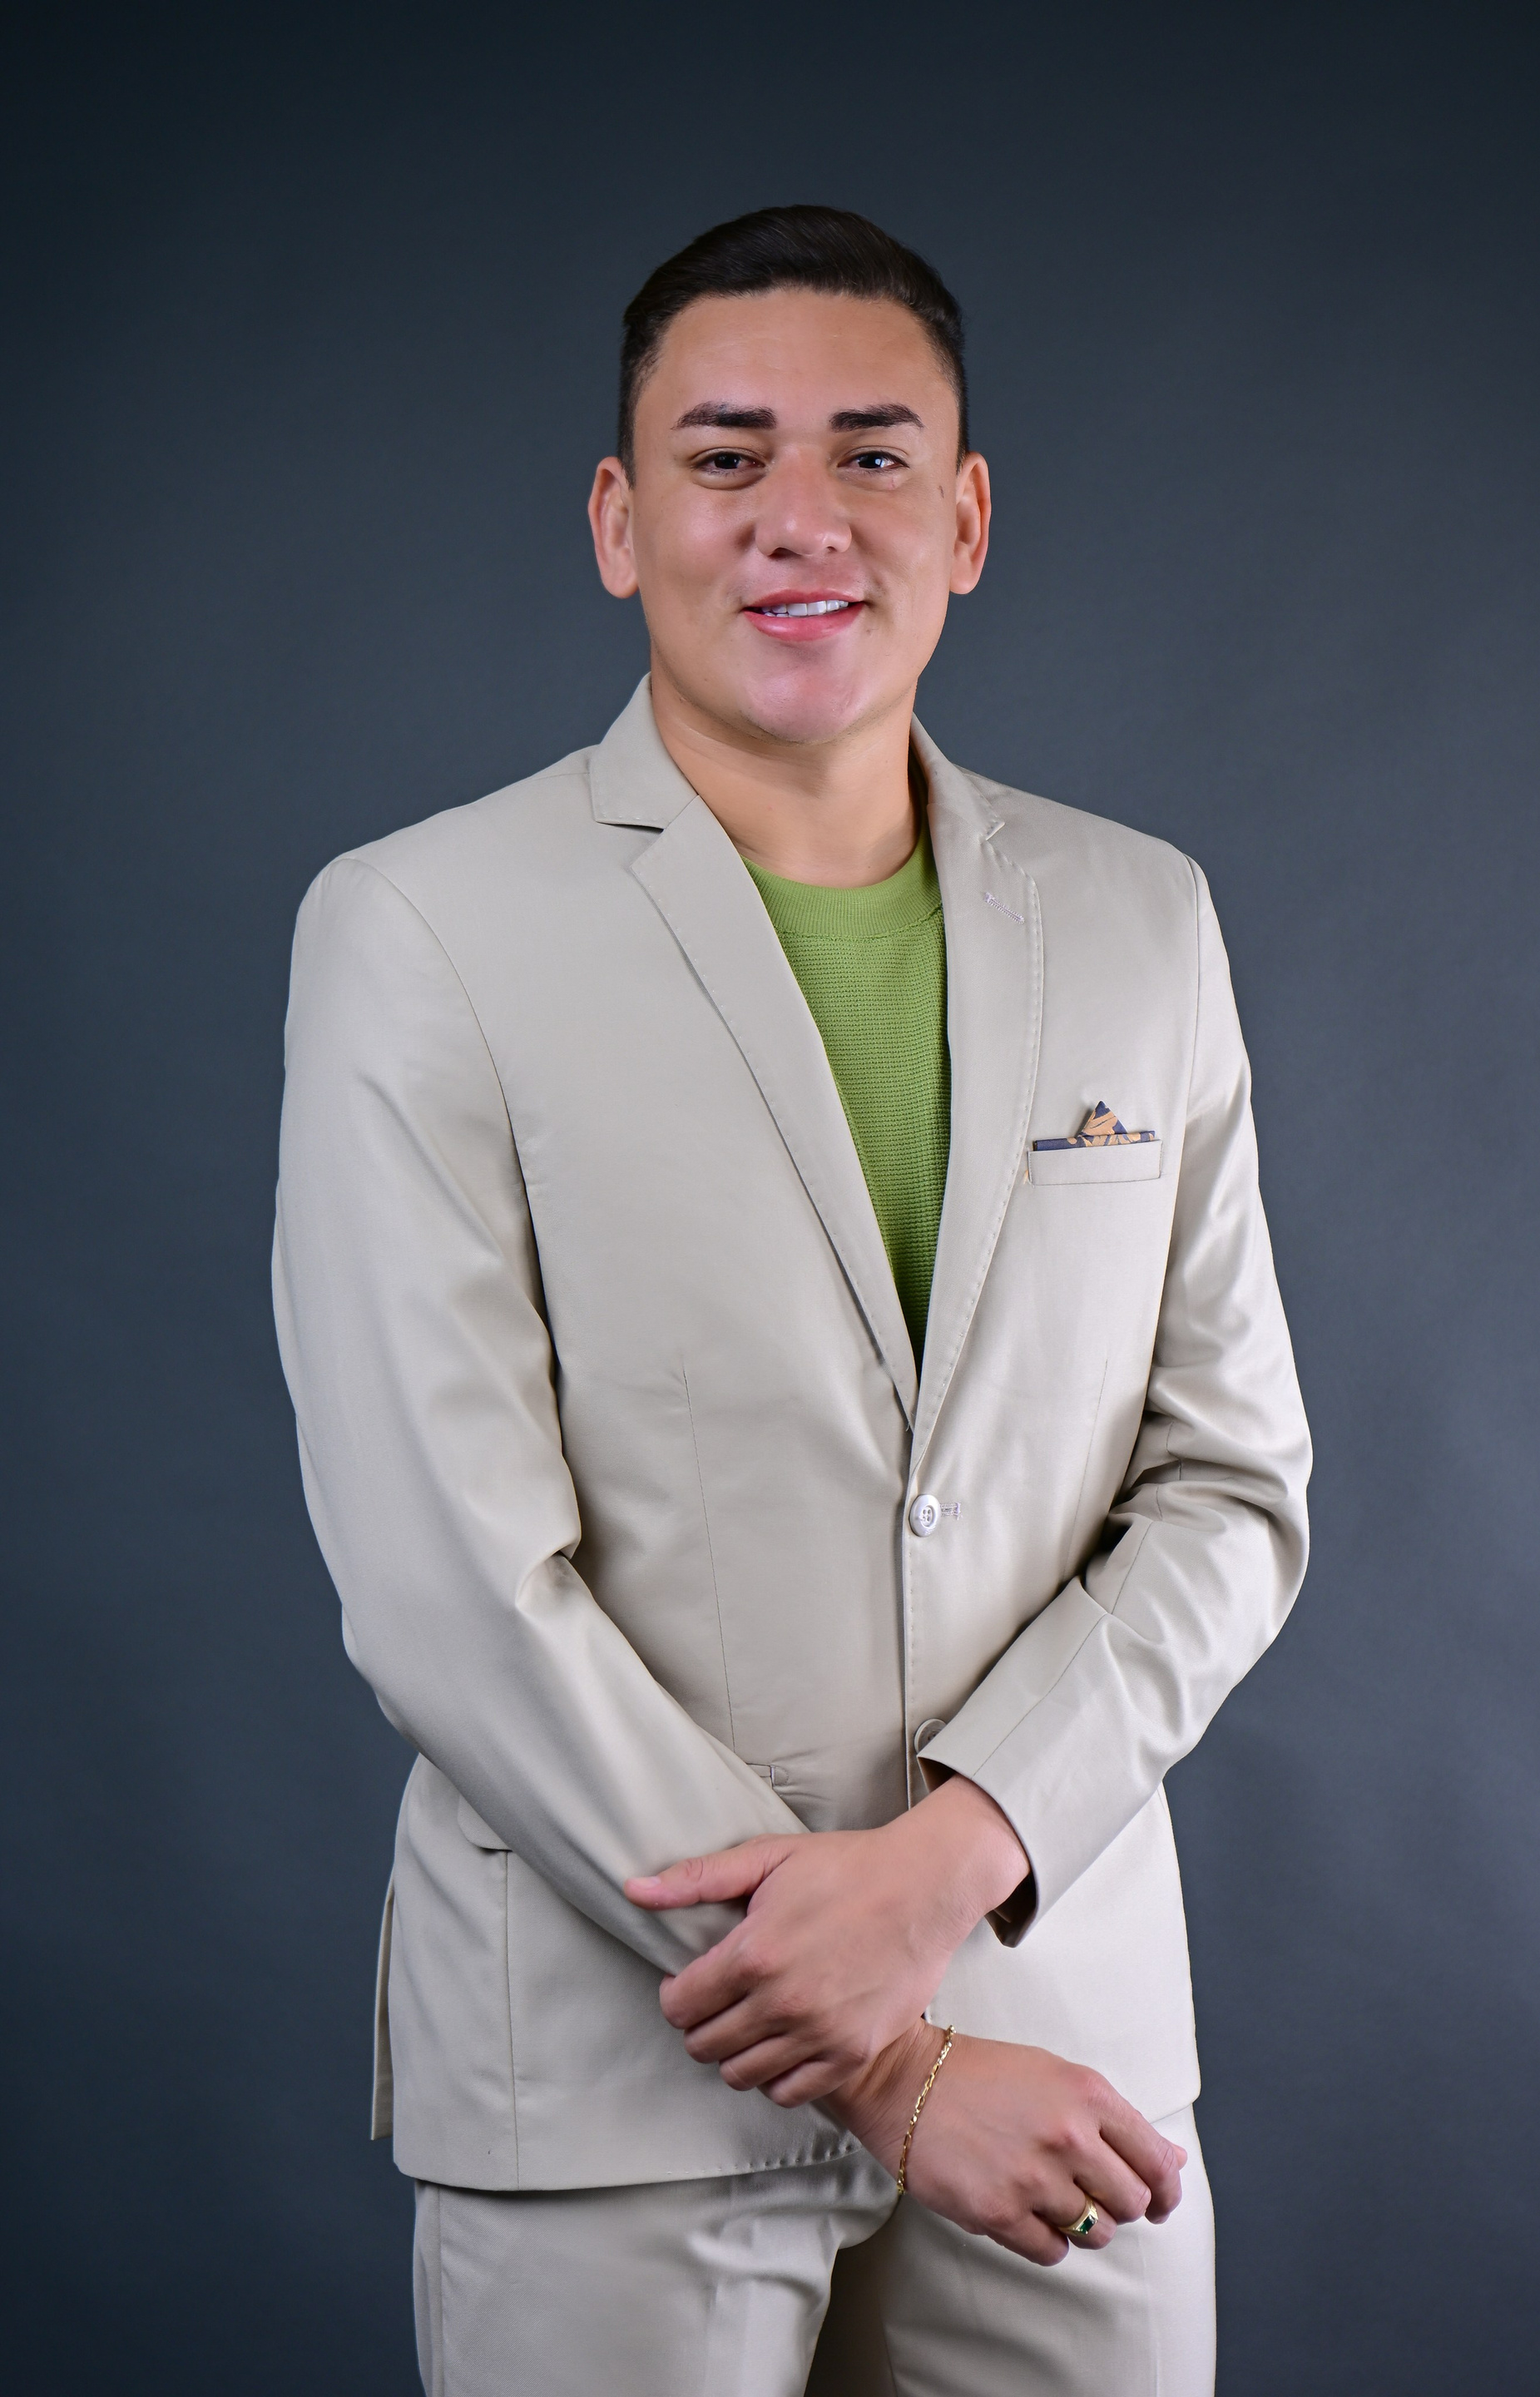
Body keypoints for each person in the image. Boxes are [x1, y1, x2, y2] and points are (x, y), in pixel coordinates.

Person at [273, 204, 1310, 2397]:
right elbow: (451, 1581)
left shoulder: (1145, 916)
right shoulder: (421, 926)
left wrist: (954, 1863)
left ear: (969, 516)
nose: (800, 517)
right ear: (617, 519)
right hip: (616, 2076)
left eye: (871, 453)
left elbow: (1232, 1489)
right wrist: (887, 2055)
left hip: (1071, 2063)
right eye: (727, 456)